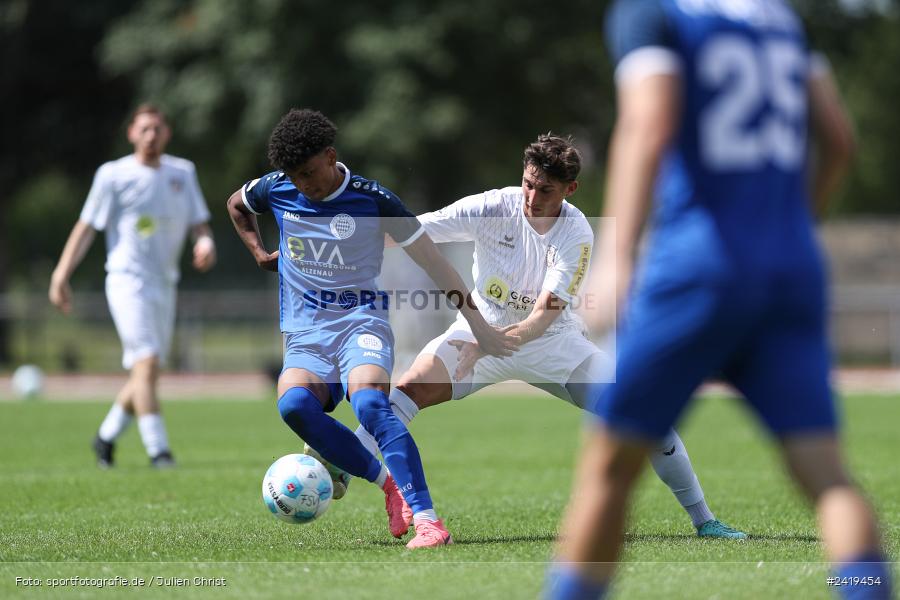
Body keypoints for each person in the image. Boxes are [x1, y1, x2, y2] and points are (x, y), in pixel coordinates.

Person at [547, 1, 892, 599]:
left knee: (610, 469)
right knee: (827, 477)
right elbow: (837, 140)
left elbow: (648, 124)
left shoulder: (651, 12)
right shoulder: (779, 18)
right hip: (790, 268)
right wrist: (789, 228)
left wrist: (619, 253)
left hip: (697, 267)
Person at [351, 133, 745, 539]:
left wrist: (489, 341)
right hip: (478, 331)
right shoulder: (492, 205)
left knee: (647, 414)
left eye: (545, 189)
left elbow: (542, 317)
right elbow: (415, 231)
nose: (532, 196)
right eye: (528, 183)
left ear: (569, 189)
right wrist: (327, 245)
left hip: (553, 344)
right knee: (407, 391)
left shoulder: (577, 232)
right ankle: (335, 469)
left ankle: (705, 521)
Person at [225, 108, 519, 548]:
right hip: (306, 333)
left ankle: (428, 521)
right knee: (293, 408)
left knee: (370, 407)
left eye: (309, 173)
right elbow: (236, 205)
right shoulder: (277, 186)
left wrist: (480, 326)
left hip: (360, 321)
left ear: (331, 156)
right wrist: (258, 251)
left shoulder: (374, 201)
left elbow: (437, 265)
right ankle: (389, 487)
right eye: (295, 176)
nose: (304, 185)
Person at [49, 103, 216, 469]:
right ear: (131, 134)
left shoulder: (182, 172)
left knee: (147, 371)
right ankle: (160, 452)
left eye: (157, 128)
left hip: (165, 283)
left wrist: (205, 243)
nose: (151, 135)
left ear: (167, 133)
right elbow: (86, 226)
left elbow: (199, 224)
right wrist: (61, 273)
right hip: (127, 280)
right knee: (146, 361)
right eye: (144, 129)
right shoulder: (113, 174)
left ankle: (105, 437)